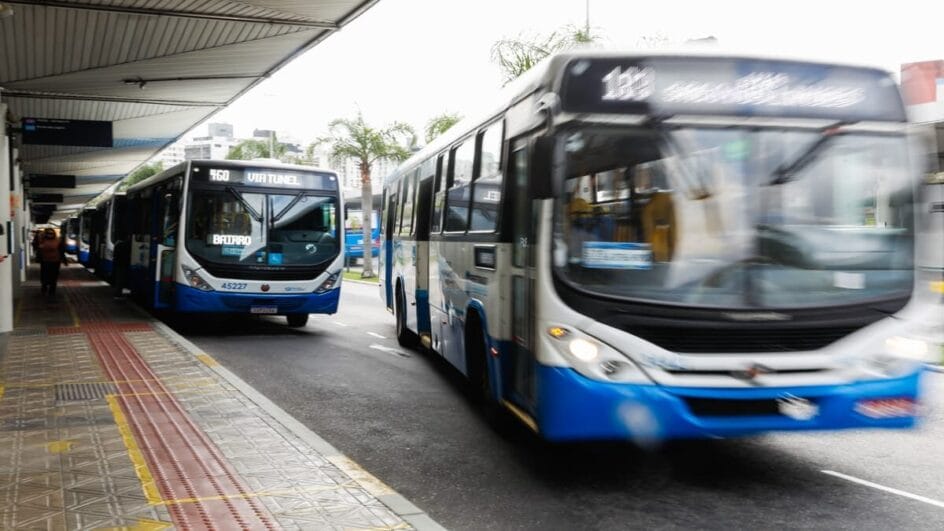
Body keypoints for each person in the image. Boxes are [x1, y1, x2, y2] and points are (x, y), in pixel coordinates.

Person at [37, 228, 67, 297]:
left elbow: (61, 251)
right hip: (45, 261)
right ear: (45, 234)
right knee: (44, 275)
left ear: (54, 234)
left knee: (54, 276)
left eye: (51, 233)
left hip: (55, 261)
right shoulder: (42, 240)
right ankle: (44, 286)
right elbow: (38, 249)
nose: (50, 235)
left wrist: (64, 260)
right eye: (48, 233)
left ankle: (52, 290)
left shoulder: (58, 241)